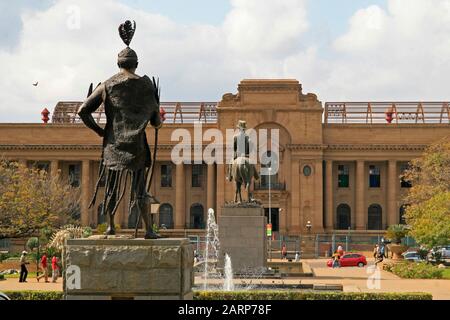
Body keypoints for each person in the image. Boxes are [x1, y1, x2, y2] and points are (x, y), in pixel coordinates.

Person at [78, 20, 162, 239]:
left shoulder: (107, 84)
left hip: (114, 143)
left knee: (111, 187)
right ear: (136, 63)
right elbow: (155, 122)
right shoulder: (147, 86)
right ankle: (148, 230)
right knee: (140, 189)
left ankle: (111, 227)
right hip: (137, 144)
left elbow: (83, 111)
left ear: (118, 64)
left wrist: (99, 131)